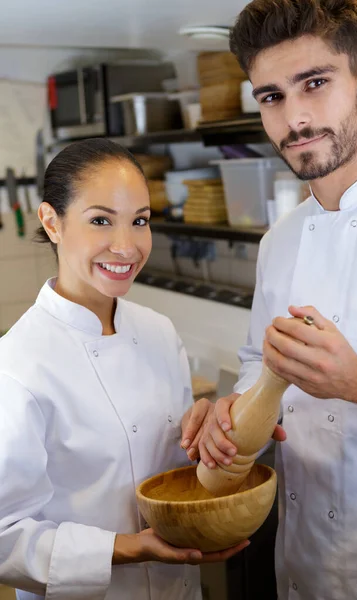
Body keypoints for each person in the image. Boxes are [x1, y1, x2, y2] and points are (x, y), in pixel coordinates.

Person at [181, 1, 357, 599]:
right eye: (272, 96)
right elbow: (261, 366)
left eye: (316, 83)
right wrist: (229, 414)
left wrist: (356, 381)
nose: (295, 118)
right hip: (299, 567)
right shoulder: (278, 240)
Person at [0, 138, 248, 600]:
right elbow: (5, 537)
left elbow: (170, 474)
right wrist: (132, 548)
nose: (126, 245)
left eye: (139, 221)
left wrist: (204, 438)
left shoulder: (157, 332)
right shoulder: (17, 365)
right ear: (52, 222)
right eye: (100, 220)